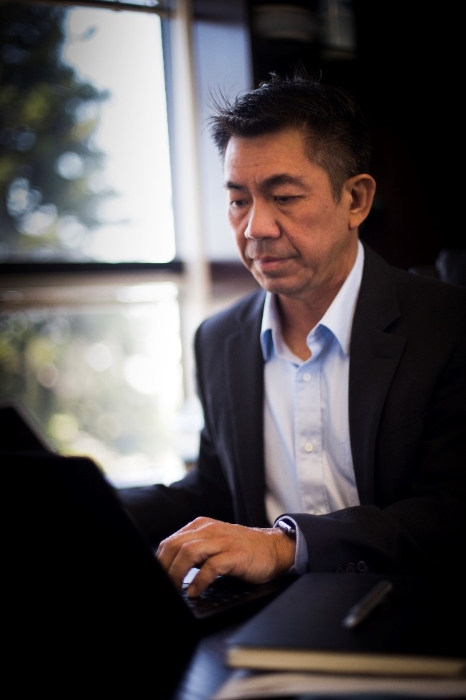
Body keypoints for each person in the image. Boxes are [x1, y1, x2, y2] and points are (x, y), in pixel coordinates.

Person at [120, 71, 466, 598]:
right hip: (261, 616)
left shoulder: (448, 324)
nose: (255, 227)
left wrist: (285, 545)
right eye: (238, 200)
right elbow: (214, 489)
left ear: (356, 200)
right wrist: (92, 503)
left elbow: (451, 511)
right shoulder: (218, 340)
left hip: (411, 612)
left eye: (283, 196)